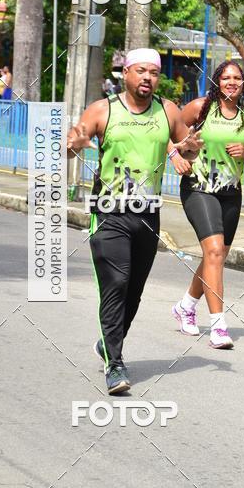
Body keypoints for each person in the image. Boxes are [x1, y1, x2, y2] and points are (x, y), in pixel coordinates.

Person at [66, 48, 201, 395]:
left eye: (153, 73)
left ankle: (107, 342)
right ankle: (115, 363)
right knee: (116, 282)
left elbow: (187, 146)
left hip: (148, 214)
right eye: (141, 71)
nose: (147, 78)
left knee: (134, 291)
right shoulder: (103, 110)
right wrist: (73, 143)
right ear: (125, 73)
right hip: (108, 211)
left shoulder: (167, 111)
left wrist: (190, 149)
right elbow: (68, 146)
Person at [170, 61, 244, 349]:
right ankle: (218, 326)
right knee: (213, 251)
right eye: (226, 77)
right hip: (198, 188)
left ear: (243, 83)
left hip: (230, 193)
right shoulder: (201, 108)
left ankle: (186, 306)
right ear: (217, 81)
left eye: (237, 78)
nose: (232, 82)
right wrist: (175, 155)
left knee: (216, 256)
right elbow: (168, 131)